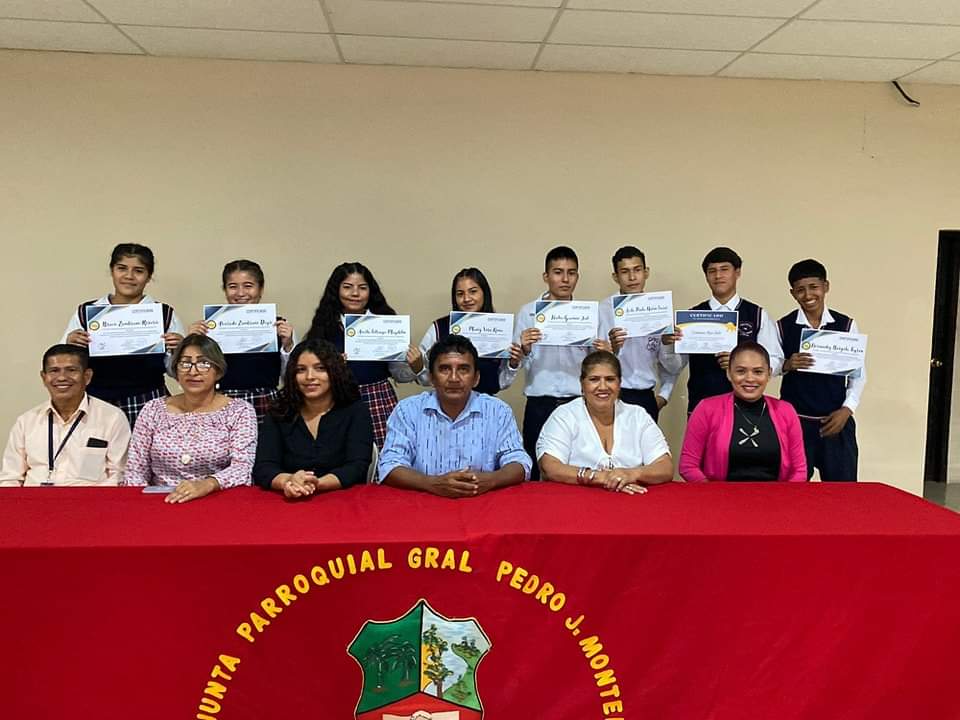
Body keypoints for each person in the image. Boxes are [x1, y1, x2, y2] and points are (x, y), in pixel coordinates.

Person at [378, 335, 531, 497]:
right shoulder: (407, 410)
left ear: (476, 378)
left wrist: (492, 480)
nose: (454, 378)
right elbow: (390, 465)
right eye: (445, 369)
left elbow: (519, 462)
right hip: (424, 502)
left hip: (481, 501)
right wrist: (432, 484)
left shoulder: (498, 411)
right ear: (431, 377)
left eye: (463, 369)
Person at [503, 246, 606, 479]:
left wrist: (604, 351)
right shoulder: (528, 313)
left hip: (578, 403)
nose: (565, 279)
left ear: (577, 276)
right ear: (546, 276)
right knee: (534, 468)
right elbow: (514, 364)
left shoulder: (589, 314)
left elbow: (596, 362)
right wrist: (524, 349)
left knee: (576, 467)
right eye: (558, 272)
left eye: (571, 273)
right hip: (540, 403)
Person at [62, 243, 185, 427]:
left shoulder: (164, 314)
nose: (129, 276)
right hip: (97, 400)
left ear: (149, 276)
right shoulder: (87, 312)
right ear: (112, 271)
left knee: (150, 447)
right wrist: (70, 345)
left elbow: (178, 372)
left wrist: (179, 351)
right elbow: (63, 363)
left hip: (148, 400)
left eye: (138, 271)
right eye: (122, 268)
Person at [122, 334, 256, 502]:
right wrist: (143, 504)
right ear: (175, 370)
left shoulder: (239, 411)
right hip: (161, 502)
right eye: (185, 363)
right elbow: (135, 470)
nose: (193, 371)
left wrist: (207, 485)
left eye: (203, 363)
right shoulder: (153, 409)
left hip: (218, 499)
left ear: (218, 371)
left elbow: (242, 468)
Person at [305, 262, 418, 448]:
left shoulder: (386, 322)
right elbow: (307, 371)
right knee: (340, 454)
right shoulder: (324, 326)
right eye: (347, 287)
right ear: (336, 290)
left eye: (362, 288)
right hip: (336, 400)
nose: (355, 293)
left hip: (378, 398)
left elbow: (400, 375)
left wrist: (415, 366)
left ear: (370, 291)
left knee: (385, 453)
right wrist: (330, 368)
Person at [662, 246, 784, 414]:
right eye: (712, 271)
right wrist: (668, 345)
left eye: (724, 269)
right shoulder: (691, 317)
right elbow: (674, 367)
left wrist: (741, 363)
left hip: (746, 407)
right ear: (706, 277)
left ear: (737, 272)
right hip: (701, 405)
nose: (718, 276)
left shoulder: (757, 314)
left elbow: (775, 361)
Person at [537, 350, 673, 494]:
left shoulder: (638, 416)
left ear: (619, 384)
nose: (602, 387)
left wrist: (630, 474)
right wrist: (599, 477)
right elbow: (549, 467)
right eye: (594, 379)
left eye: (610, 379)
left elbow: (665, 467)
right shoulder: (564, 416)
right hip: (576, 500)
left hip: (629, 500)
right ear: (582, 384)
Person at [777, 259, 864, 481]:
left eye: (814, 287)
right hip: (795, 422)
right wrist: (787, 364)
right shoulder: (783, 326)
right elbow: (769, 366)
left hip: (836, 421)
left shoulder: (846, 325)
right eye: (800, 290)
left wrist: (847, 410)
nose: (808, 295)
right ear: (792, 293)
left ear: (826, 286)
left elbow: (858, 375)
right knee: (790, 492)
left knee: (841, 493)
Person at [253, 339, 374, 498]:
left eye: (320, 368)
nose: (309, 377)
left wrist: (317, 484)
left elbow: (357, 466)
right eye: (301, 370)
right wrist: (289, 481)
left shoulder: (356, 411)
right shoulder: (279, 411)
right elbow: (264, 466)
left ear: (334, 371)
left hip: (342, 499)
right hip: (289, 497)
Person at [0, 344, 130, 487]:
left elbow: (118, 476)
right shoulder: (26, 421)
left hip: (89, 498)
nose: (62, 377)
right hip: (34, 499)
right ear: (44, 377)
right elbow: (10, 477)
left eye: (71, 370)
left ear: (87, 376)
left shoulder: (112, 418)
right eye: (54, 371)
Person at [679, 341, 806, 482]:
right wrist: (712, 492)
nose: (750, 378)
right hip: (719, 494)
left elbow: (800, 471)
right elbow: (688, 466)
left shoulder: (786, 411)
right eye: (741, 371)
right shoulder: (706, 409)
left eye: (758, 372)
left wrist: (785, 495)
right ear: (729, 373)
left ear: (769, 374)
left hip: (776, 495)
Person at [188, 259, 296, 423]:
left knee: (267, 440)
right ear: (225, 290)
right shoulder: (210, 328)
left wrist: (288, 345)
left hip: (265, 400)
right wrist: (193, 342)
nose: (240, 293)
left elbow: (290, 377)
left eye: (248, 286)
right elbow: (196, 372)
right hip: (222, 399)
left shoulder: (279, 327)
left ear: (261, 289)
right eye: (233, 286)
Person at [600, 246, 680, 422]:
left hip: (646, 397)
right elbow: (592, 363)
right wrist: (613, 349)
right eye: (625, 272)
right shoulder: (603, 311)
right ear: (615, 276)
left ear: (646, 272)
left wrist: (664, 395)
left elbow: (673, 367)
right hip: (612, 395)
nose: (632, 277)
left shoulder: (659, 310)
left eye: (637, 270)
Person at [412, 267, 521, 396]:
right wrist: (418, 366)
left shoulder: (499, 328)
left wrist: (513, 363)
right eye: (460, 294)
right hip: (446, 402)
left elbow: (501, 382)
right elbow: (426, 379)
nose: (466, 298)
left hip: (486, 402)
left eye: (473, 291)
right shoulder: (439, 327)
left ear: (484, 293)